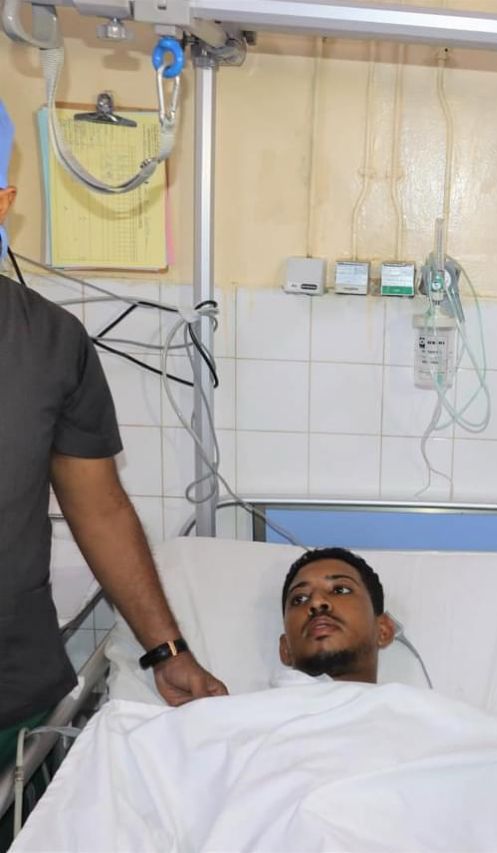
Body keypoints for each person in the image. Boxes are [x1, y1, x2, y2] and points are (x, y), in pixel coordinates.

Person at [0, 97, 226, 771]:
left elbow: (99, 509)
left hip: (9, 685)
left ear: (2, 203)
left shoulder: (50, 343)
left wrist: (167, 651)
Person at [279, 548, 395, 684]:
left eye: (340, 590)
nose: (316, 602)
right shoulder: (259, 699)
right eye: (300, 599)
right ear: (285, 649)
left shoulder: (411, 698)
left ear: (383, 630)